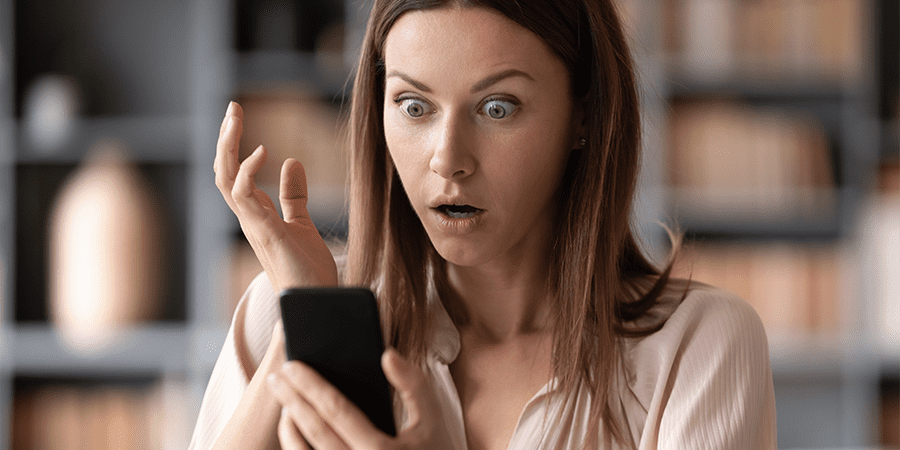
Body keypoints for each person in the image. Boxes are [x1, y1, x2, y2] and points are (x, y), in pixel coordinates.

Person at [190, 0, 778, 449]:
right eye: (414, 106)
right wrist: (309, 322)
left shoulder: (700, 346)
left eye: (498, 107)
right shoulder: (287, 308)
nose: (448, 158)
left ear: (584, 115)